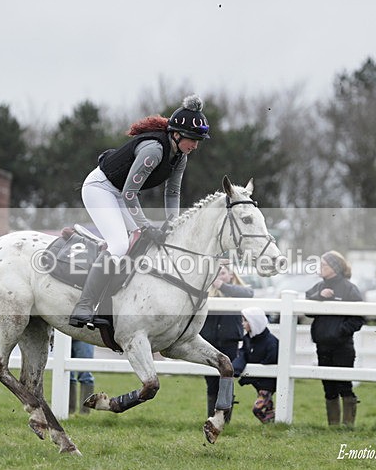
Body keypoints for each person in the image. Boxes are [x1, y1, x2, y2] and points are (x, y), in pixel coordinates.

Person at [69, 94, 210, 329]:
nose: (195, 145)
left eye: (198, 140)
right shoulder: (154, 150)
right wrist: (146, 226)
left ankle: (108, 307)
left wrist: (173, 223)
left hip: (121, 193)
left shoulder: (180, 157)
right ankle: (85, 304)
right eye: (193, 139)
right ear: (176, 134)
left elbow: (173, 193)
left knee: (142, 245)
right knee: (119, 245)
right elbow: (129, 194)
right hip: (100, 189)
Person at [305, 251, 365, 428]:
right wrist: (320, 297)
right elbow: (307, 307)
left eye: (325, 265)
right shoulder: (317, 287)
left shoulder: (349, 288)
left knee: (344, 384)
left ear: (336, 267)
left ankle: (347, 426)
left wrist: (340, 331)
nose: (321, 268)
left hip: (342, 346)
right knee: (328, 387)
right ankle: (333, 426)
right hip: (322, 345)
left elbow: (358, 318)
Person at [199, 265, 253, 422]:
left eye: (222, 273)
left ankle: (224, 420)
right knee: (211, 381)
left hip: (229, 341)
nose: (219, 277)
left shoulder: (238, 292)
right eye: (216, 274)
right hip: (209, 341)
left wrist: (221, 286)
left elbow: (249, 294)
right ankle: (211, 418)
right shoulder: (206, 293)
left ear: (231, 275)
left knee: (227, 379)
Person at [233, 306, 279, 423]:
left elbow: (270, 361)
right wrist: (236, 369)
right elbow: (243, 355)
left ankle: (274, 421)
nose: (242, 324)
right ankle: (272, 426)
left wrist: (249, 378)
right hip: (258, 383)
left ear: (254, 322)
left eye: (245, 321)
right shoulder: (247, 339)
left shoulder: (271, 342)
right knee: (267, 407)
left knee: (257, 409)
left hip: (268, 383)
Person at [69, 339, 95, 415]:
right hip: (63, 336)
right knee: (67, 377)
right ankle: (68, 411)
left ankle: (85, 412)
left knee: (85, 375)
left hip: (84, 335)